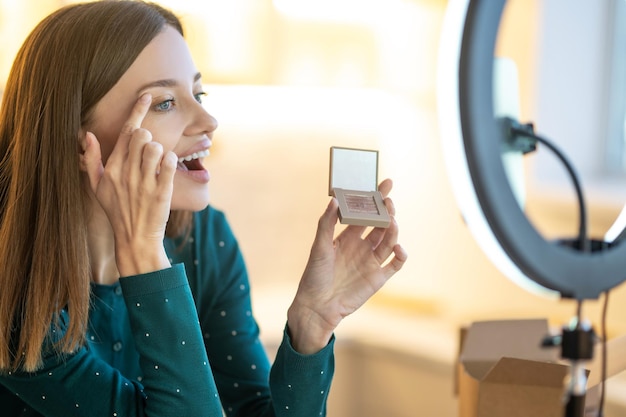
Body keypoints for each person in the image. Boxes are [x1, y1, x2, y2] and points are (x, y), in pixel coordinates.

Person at [0, 1, 407, 416]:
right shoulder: (13, 294)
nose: (208, 120)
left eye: (198, 93)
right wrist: (145, 257)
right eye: (163, 102)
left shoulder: (205, 240)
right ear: (76, 141)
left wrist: (312, 323)